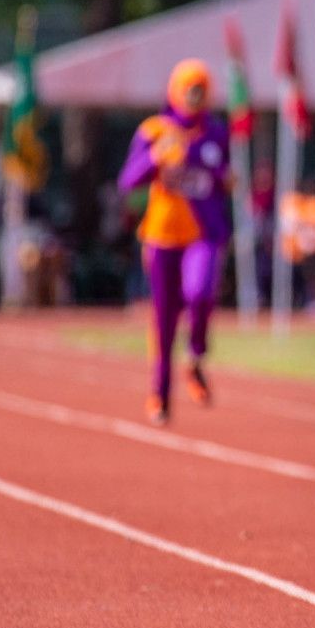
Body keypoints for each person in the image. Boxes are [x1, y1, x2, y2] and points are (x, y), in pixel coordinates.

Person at [117, 59, 232, 425]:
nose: (195, 96)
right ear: (175, 90)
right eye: (189, 88)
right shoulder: (153, 129)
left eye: (201, 89)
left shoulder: (216, 133)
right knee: (164, 319)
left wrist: (223, 178)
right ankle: (160, 394)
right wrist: (156, 157)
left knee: (199, 294)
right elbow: (127, 181)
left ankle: (195, 355)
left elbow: (224, 178)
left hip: (203, 234)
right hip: (162, 235)